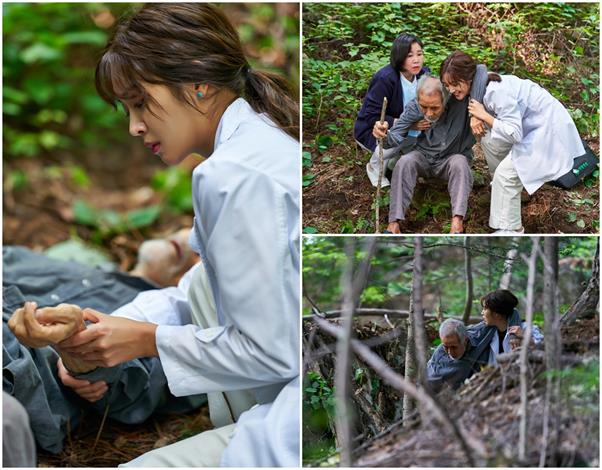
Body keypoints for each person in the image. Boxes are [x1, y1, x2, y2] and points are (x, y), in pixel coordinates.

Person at [11, 4, 300, 467]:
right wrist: (93, 331)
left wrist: (146, 341)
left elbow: (273, 349)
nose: (134, 125)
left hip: (298, 418)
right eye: (127, 109)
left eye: (141, 101)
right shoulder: (253, 147)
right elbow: (203, 289)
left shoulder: (234, 174)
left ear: (199, 84)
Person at [3, 232, 204, 455]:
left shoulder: (169, 332)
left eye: (205, 260)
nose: (196, 251)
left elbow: (131, 389)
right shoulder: (56, 262)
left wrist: (78, 345)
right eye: (200, 233)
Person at [441, 50, 585, 234]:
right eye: (447, 85)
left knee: (505, 176)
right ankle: (513, 191)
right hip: (532, 128)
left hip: (547, 129)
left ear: (468, 78)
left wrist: (483, 115)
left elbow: (514, 133)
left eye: (455, 84)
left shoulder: (496, 92)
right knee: (488, 139)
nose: (451, 90)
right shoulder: (479, 86)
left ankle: (510, 230)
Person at [373, 74, 486, 234]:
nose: (429, 113)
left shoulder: (461, 102)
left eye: (434, 108)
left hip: (452, 158)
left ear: (445, 99)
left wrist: (475, 115)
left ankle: (457, 222)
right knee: (405, 161)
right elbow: (393, 139)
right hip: (423, 156)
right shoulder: (415, 107)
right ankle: (393, 224)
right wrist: (382, 134)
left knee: (460, 163)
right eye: (424, 107)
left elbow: (481, 70)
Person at [354, 33, 431, 187]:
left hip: (415, 128)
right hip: (378, 129)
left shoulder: (424, 74)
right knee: (396, 140)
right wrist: (408, 124)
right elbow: (371, 115)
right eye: (410, 56)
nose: (416, 60)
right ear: (399, 57)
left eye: (419, 54)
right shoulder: (385, 78)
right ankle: (374, 167)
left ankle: (394, 163)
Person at [479, 289, 543, 365]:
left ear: (497, 314)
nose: (482, 312)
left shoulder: (526, 329)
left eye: (485, 309)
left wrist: (525, 337)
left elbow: (543, 346)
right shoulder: (489, 332)